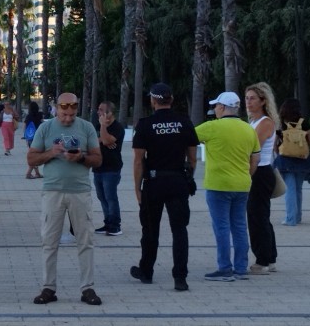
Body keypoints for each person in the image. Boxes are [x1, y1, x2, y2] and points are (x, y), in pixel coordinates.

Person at [27, 93, 103, 306]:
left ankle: (88, 288)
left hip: (80, 191)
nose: (68, 119)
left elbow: (98, 160)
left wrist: (80, 157)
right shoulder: (46, 128)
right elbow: (31, 158)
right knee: (49, 241)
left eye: (71, 114)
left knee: (85, 241)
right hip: (53, 192)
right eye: (64, 114)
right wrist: (51, 153)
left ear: (77, 109)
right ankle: (48, 288)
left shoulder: (86, 127)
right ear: (56, 109)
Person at [129, 83, 198, 291]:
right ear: (171, 99)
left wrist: (137, 188)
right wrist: (188, 178)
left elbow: (139, 160)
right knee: (179, 231)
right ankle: (180, 277)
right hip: (177, 181)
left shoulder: (145, 124)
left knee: (150, 230)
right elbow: (193, 159)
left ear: (152, 100)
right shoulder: (184, 122)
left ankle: (147, 271)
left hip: (154, 182)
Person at [195, 91, 260, 282]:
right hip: (242, 185)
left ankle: (224, 268)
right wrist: (247, 175)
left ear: (222, 107)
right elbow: (255, 158)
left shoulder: (212, 127)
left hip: (218, 185)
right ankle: (241, 268)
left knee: (221, 227)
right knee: (239, 226)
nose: (214, 109)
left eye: (216, 106)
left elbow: (187, 137)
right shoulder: (248, 129)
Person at [244, 83, 279, 275]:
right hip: (258, 171)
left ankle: (263, 260)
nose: (248, 102)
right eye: (247, 98)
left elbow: (251, 147)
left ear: (263, 101)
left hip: (260, 172)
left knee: (257, 217)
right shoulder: (251, 122)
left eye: (252, 98)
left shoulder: (265, 122)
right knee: (260, 216)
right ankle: (270, 257)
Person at [273, 98, 310, 226]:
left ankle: (290, 218)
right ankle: (298, 216)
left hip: (286, 159)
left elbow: (275, 142)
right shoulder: (304, 122)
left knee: (290, 189)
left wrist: (278, 152)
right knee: (298, 189)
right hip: (302, 159)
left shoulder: (281, 123)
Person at [92, 101, 125, 236]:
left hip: (111, 168)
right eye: (98, 109)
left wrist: (103, 128)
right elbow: (93, 140)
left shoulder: (117, 127)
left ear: (110, 113)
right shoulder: (97, 126)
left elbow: (105, 141)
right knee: (101, 196)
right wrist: (103, 139)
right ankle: (107, 222)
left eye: (101, 110)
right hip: (98, 167)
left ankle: (115, 225)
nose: (98, 112)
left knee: (111, 196)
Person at [24, 102, 45, 179]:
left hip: (30, 137)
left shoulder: (28, 116)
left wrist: (25, 137)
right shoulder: (40, 115)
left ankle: (37, 173)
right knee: (36, 155)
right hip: (38, 137)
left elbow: (25, 126)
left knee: (34, 154)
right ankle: (29, 173)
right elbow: (43, 124)